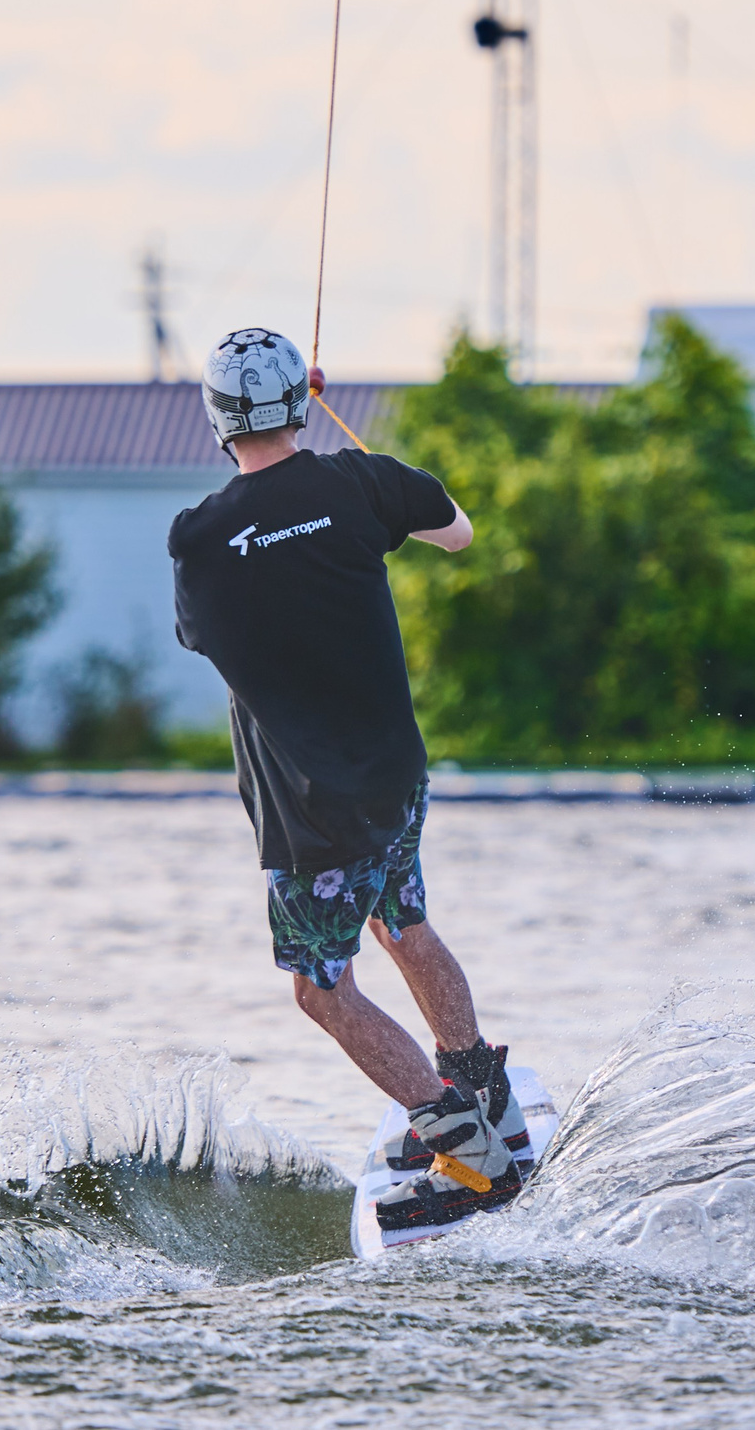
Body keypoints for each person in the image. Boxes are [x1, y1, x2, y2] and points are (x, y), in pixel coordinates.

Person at [168, 327, 527, 1233]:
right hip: (396, 778)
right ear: (299, 402)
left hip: (315, 815)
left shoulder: (200, 540)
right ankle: (492, 1106)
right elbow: (457, 533)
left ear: (216, 420)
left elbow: (198, 636)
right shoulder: (362, 484)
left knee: (322, 990)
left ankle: (467, 1155)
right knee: (402, 917)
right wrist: (352, 475)